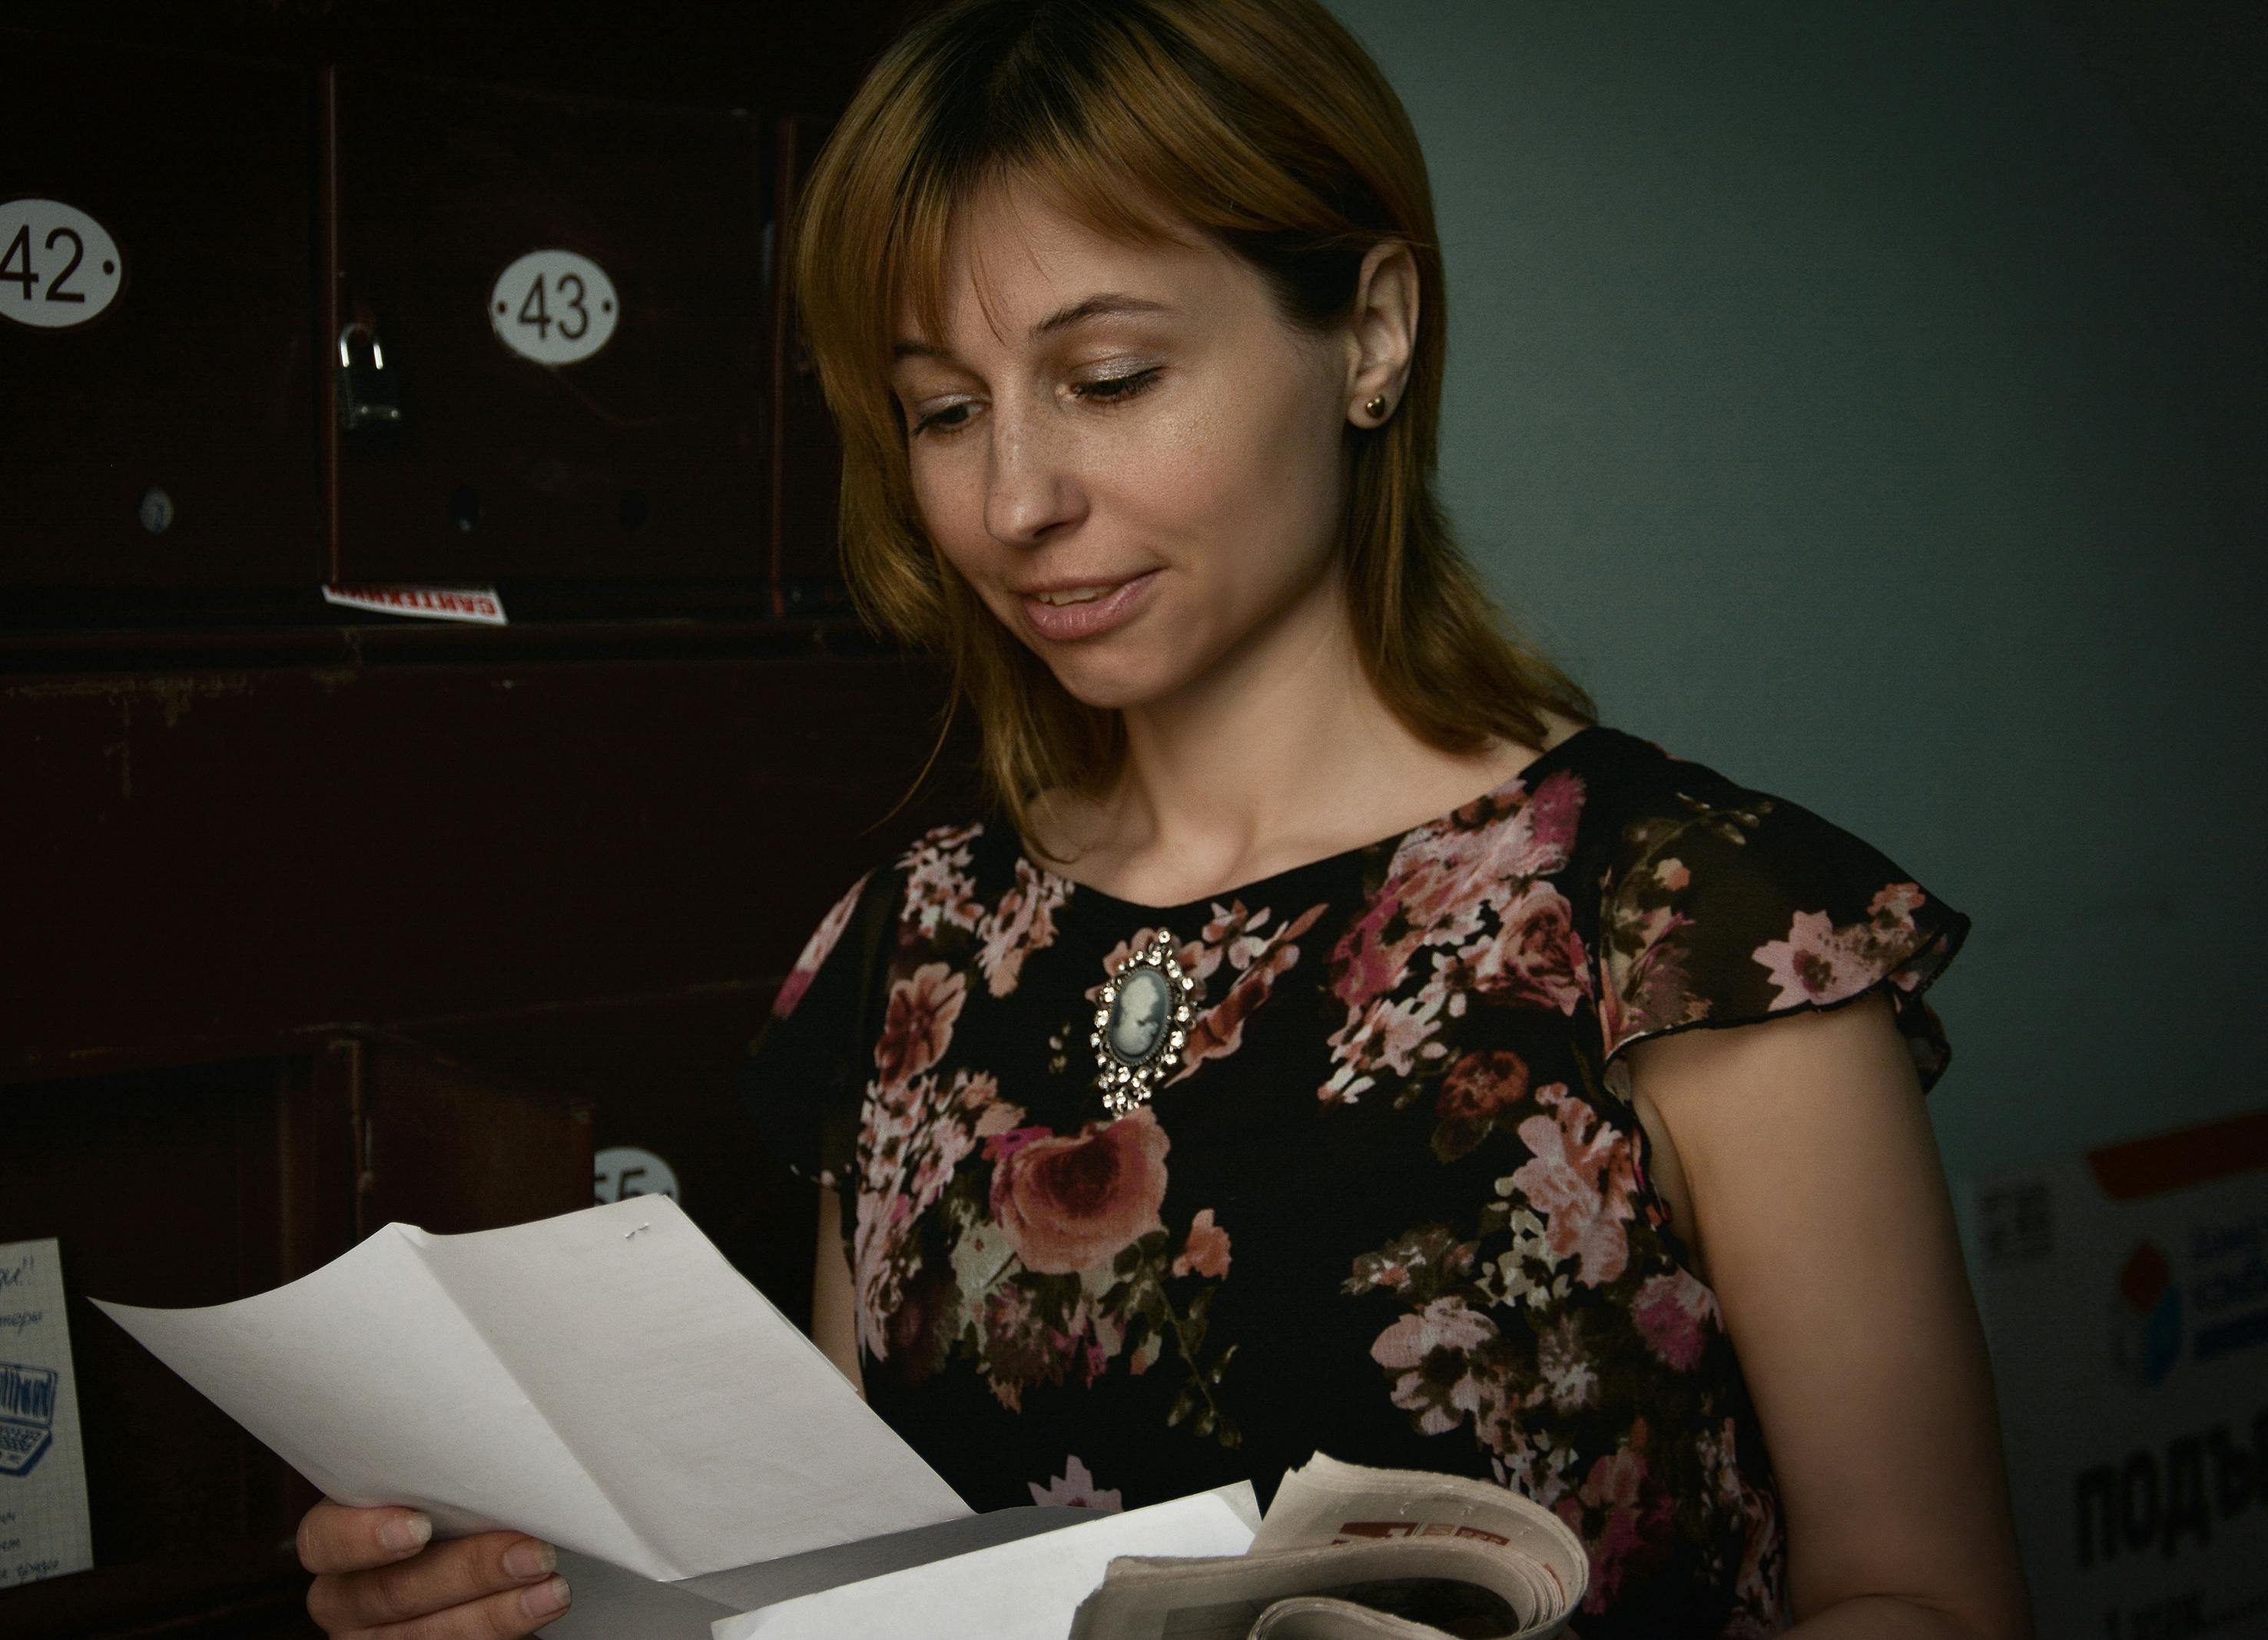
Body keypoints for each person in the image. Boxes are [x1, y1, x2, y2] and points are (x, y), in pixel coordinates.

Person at [295, 1, 2033, 1635]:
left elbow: (1932, 1598)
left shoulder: (1689, 917)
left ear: (1369, 332)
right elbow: (842, 1583)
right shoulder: (913, 940)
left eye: (1109, 377)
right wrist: (529, 1598)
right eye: (944, 412)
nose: (1017, 498)